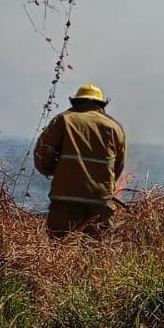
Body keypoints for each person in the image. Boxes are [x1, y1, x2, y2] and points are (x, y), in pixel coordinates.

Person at [34, 83, 127, 239]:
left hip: (66, 197)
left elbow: (42, 155)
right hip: (100, 199)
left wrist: (54, 171)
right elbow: (118, 167)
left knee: (61, 248)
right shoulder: (114, 128)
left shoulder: (64, 120)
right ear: (101, 105)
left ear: (76, 102)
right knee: (96, 252)